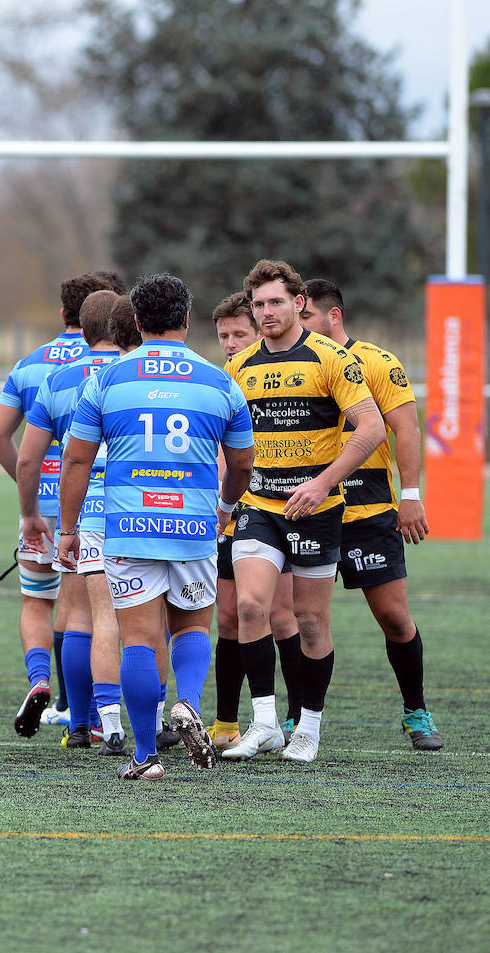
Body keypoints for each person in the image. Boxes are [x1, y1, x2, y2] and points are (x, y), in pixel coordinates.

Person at [57, 273, 255, 780]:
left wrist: (68, 528)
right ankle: (187, 703)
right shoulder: (220, 381)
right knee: (192, 627)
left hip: (128, 526)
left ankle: (145, 757)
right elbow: (242, 466)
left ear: (139, 322)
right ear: (187, 320)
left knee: (139, 642)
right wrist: (226, 507)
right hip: (193, 526)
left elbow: (76, 460)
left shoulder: (107, 379)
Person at [221, 259, 384, 763]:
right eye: (259, 304)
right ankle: (266, 723)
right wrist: (224, 501)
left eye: (276, 302)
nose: (267, 312)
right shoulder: (239, 366)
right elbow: (227, 443)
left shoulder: (330, 358)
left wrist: (323, 482)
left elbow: (372, 429)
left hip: (316, 508)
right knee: (250, 607)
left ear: (298, 304)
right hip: (260, 506)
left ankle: (308, 725)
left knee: (311, 621)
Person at [299, 278, 442, 750]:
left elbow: (406, 429)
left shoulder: (378, 362)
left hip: (368, 510)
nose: (299, 324)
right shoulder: (290, 363)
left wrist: (412, 494)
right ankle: (296, 718)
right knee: (299, 621)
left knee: (395, 617)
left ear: (332, 315)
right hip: (306, 509)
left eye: (307, 315)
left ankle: (416, 711)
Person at [0, 274, 108, 726]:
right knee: (93, 610)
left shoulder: (32, 364)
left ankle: (41, 680)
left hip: (44, 500)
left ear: (63, 313)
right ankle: (87, 711)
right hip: (101, 501)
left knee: (39, 600)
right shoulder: (119, 363)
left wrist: (32, 491)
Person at [16, 290, 127, 750]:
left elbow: (27, 460)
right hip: (133, 509)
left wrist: (29, 514)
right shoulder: (132, 374)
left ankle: (79, 722)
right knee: (134, 623)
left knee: (77, 614)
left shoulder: (58, 379)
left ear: (80, 329)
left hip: (74, 511)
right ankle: (130, 720)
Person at [208, 292, 301, 749]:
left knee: (281, 615)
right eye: (223, 335)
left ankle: (296, 719)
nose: (229, 343)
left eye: (238, 334)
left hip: (274, 508)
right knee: (230, 615)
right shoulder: (227, 377)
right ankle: (226, 722)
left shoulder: (277, 372)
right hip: (230, 511)